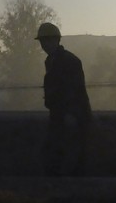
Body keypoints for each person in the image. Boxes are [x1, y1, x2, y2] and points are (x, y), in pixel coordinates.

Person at [35, 22, 92, 176]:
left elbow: (76, 91)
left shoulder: (69, 61)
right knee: (58, 152)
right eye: (42, 42)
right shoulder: (53, 60)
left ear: (55, 40)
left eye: (46, 41)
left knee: (69, 154)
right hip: (60, 114)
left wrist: (71, 114)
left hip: (71, 116)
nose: (44, 45)